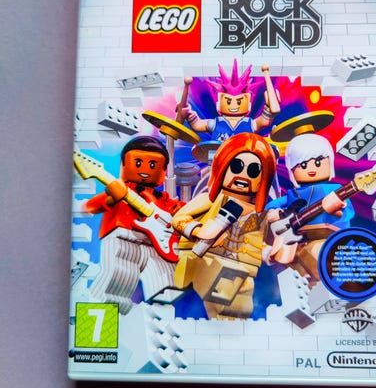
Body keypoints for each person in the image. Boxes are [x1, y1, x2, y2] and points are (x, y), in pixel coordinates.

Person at [172, 132, 277, 319]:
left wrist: (270, 253)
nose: (243, 176)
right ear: (223, 166)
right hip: (204, 261)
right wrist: (198, 231)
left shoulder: (259, 215)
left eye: (253, 171)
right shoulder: (212, 200)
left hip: (242, 272)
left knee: (240, 311)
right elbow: (179, 218)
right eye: (237, 167)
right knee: (225, 298)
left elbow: (255, 243)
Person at [84, 136, 183, 314]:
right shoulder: (121, 191)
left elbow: (181, 211)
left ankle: (162, 323)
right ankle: (96, 328)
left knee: (167, 288)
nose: (145, 170)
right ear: (123, 165)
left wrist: (182, 213)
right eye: (138, 162)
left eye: (152, 165)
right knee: (116, 283)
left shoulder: (163, 199)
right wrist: (112, 198)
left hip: (158, 248)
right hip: (125, 239)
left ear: (163, 170)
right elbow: (92, 206)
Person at [265, 133, 354, 284]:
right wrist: (273, 211)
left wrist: (337, 211)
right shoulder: (294, 193)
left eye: (318, 162)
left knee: (319, 260)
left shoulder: (334, 190)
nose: (311, 169)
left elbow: (347, 214)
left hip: (325, 239)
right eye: (303, 165)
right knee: (295, 274)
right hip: (295, 242)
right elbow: (274, 204)